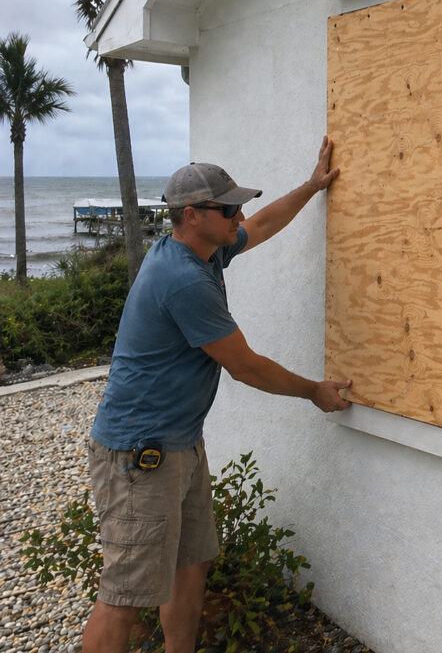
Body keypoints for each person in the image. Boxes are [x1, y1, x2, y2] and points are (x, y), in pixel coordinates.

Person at [82, 137, 353, 653]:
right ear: (191, 215)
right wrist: (314, 391)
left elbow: (264, 224)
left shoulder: (203, 251)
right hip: (140, 454)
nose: (239, 215)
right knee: (124, 596)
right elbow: (246, 367)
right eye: (228, 209)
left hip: (178, 445)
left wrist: (312, 186)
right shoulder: (183, 280)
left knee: (190, 564)